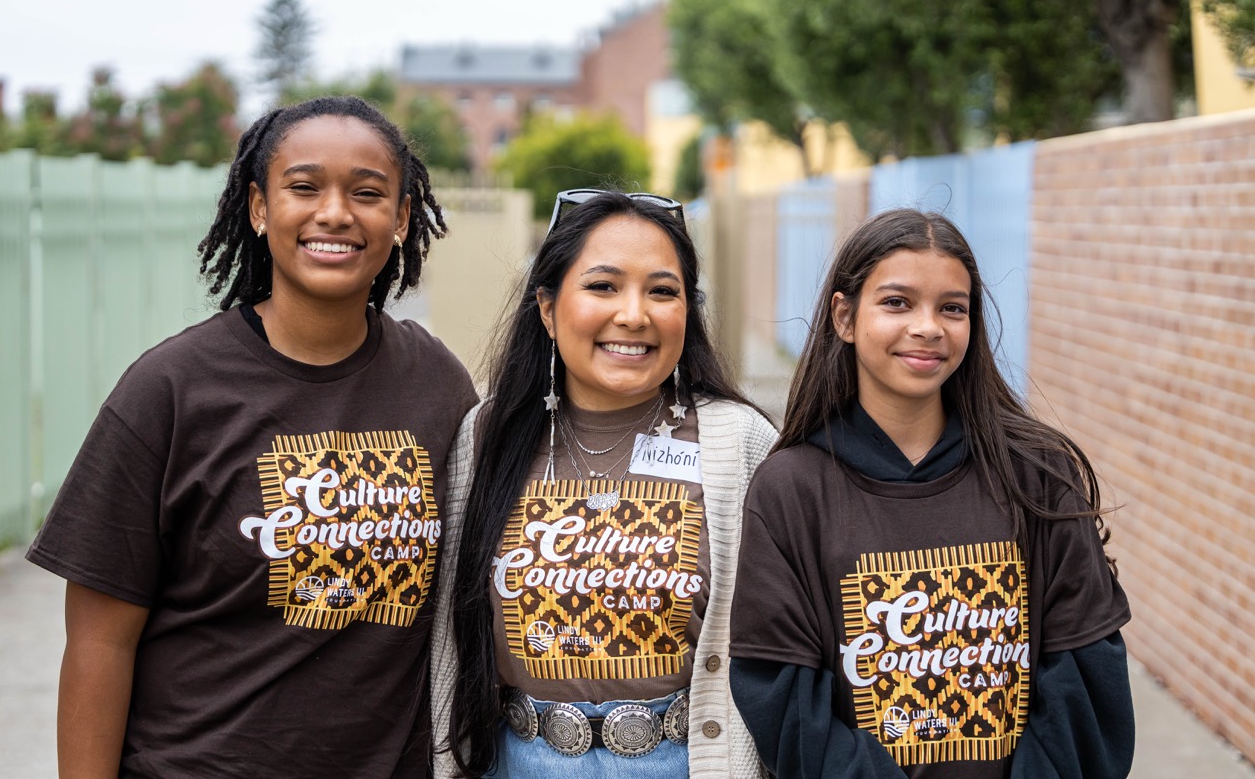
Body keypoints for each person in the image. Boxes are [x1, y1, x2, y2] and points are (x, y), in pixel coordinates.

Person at [27, 96, 478, 778]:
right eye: (304, 187)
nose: (335, 213)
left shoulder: (436, 383)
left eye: (367, 193)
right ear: (260, 208)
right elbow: (98, 644)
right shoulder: (170, 390)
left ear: (402, 218)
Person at [729, 209, 1133, 778]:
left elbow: (1086, 684)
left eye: (952, 308)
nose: (928, 327)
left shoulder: (1037, 475)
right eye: (897, 303)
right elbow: (785, 703)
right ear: (845, 317)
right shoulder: (790, 490)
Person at [430, 190, 778, 777]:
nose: (634, 315)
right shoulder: (487, 436)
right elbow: (448, 633)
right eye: (603, 286)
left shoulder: (739, 441)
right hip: (515, 763)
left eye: (662, 291)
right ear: (547, 308)